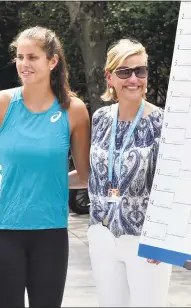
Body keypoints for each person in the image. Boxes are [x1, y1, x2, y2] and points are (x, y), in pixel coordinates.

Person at [0, 26, 90, 308]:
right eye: (20, 57)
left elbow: (84, 174)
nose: (24, 64)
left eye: (33, 57)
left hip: (50, 231)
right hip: (2, 229)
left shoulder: (74, 110)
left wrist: (49, 181)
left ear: (52, 61)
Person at [69, 39, 172, 307]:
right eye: (124, 72)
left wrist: (163, 237)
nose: (133, 79)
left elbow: (172, 186)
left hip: (144, 239)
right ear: (110, 77)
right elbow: (95, 174)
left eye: (140, 71)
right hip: (102, 234)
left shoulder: (162, 122)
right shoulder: (101, 118)